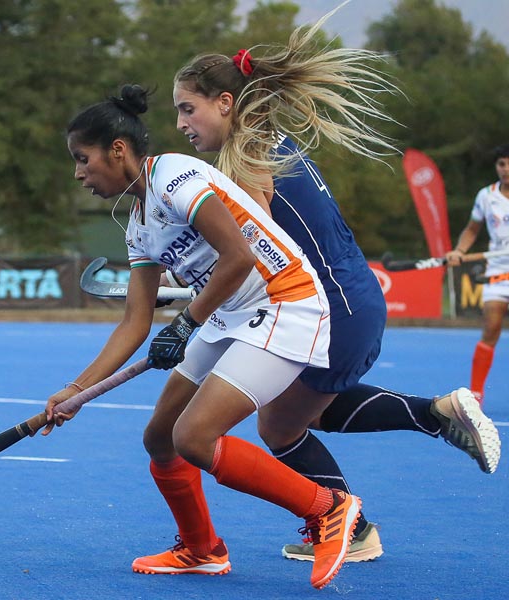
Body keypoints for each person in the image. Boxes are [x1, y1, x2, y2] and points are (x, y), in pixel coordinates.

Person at [170, 7, 501, 564]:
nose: (181, 124)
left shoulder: (247, 160)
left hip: (333, 307)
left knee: (277, 424)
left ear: (224, 103)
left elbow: (248, 258)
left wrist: (193, 303)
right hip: (351, 298)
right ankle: (431, 420)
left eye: (188, 108)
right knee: (303, 413)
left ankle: (351, 522)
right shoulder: (267, 142)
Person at [44, 83, 361, 591]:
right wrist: (76, 390)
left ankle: (330, 509)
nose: (79, 173)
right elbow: (135, 321)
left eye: (83, 159)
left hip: (287, 301)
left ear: (117, 151)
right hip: (229, 312)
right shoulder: (138, 225)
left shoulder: (174, 174)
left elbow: (239, 256)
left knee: (192, 437)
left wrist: (188, 321)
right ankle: (201, 550)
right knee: (159, 438)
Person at [445, 143, 509, 404]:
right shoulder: (486, 196)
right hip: (497, 271)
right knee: (491, 326)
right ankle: (476, 394)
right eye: (501, 164)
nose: (506, 169)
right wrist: (459, 250)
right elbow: (472, 230)